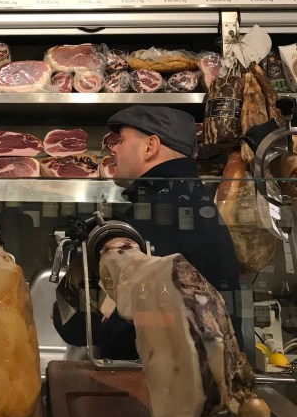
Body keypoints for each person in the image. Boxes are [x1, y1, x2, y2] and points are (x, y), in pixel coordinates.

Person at [53, 106, 243, 359]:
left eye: (121, 140)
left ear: (150, 147)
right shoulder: (185, 202)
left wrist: (65, 313)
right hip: (188, 373)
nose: (113, 149)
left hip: (163, 379)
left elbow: (90, 326)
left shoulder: (159, 216)